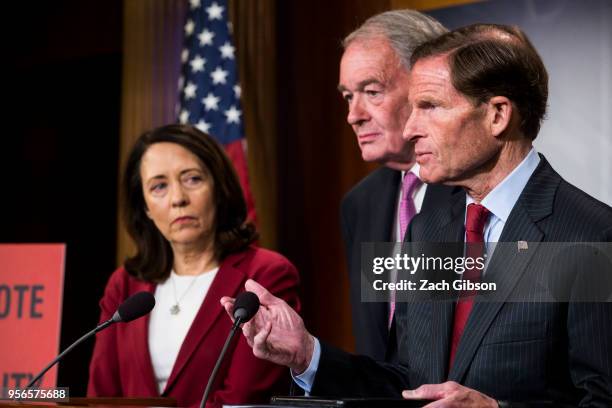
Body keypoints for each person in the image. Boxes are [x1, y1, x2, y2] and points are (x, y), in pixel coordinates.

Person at [221, 24, 612, 407]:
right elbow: (410, 383)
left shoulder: (592, 236)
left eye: (429, 106)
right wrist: (308, 354)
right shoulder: (428, 228)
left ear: (497, 115)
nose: (409, 129)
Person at [88, 124, 301, 408]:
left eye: (192, 179)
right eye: (159, 186)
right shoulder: (125, 285)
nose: (178, 199)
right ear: (146, 207)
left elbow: (242, 399)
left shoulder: (264, 276)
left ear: (219, 187)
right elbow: (101, 396)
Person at [338, 9, 452, 362]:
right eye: (347, 96)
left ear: (426, 87)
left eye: (371, 91)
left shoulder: (474, 191)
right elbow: (377, 352)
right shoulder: (360, 203)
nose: (353, 115)